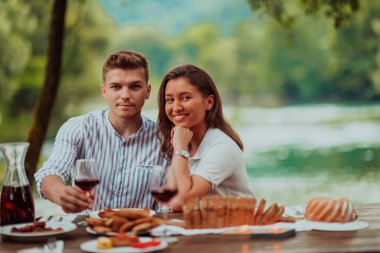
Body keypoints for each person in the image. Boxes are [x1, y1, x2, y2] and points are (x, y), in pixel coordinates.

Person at [35, 50, 168, 213]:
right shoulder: (78, 128)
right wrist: (60, 192)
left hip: (140, 234)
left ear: (147, 91)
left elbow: (165, 205)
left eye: (134, 86)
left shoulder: (163, 139)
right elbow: (51, 172)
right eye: (116, 87)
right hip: (88, 232)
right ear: (104, 90)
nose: (125, 95)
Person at [157, 64, 254, 211]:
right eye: (170, 100)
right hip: (202, 229)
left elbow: (178, 202)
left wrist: (180, 149)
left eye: (185, 98)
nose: (176, 108)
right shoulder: (181, 140)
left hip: (235, 230)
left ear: (209, 102)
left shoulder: (222, 147)